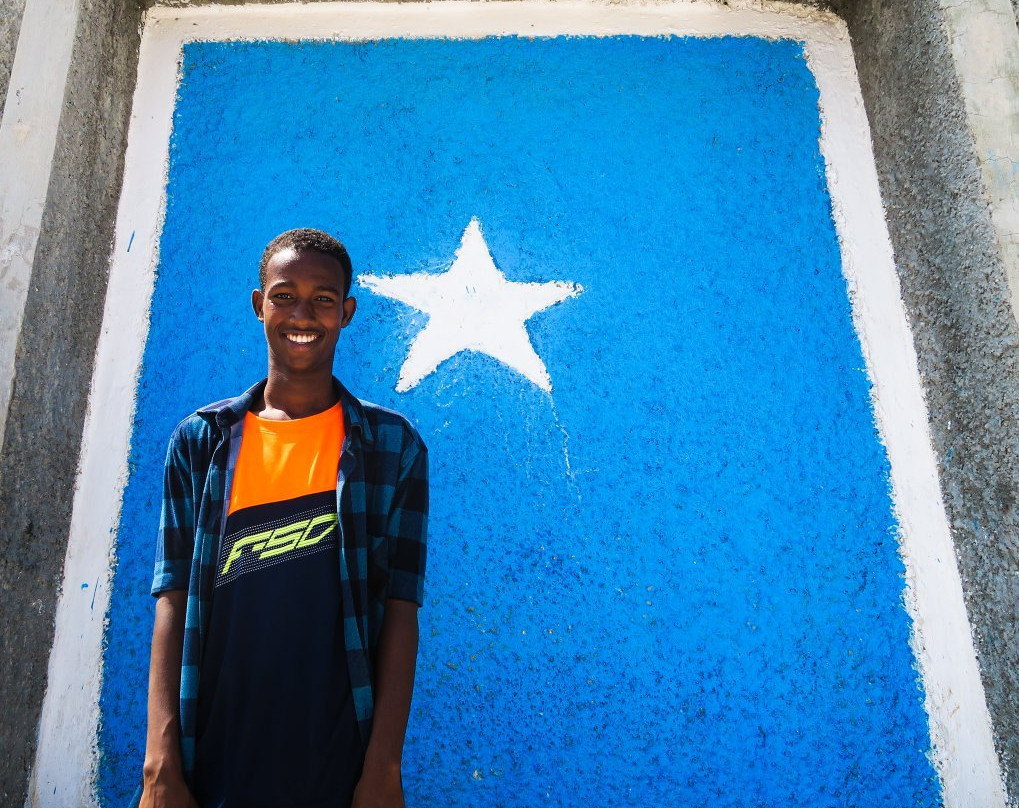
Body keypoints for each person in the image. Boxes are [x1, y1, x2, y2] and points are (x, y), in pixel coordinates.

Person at [139, 229, 428, 808]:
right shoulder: (201, 442)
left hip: (337, 762)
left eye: (324, 298)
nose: (303, 313)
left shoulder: (392, 447)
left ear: (347, 312)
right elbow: (172, 597)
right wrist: (160, 762)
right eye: (284, 294)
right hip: (213, 753)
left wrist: (383, 768)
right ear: (258, 304)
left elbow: (401, 609)